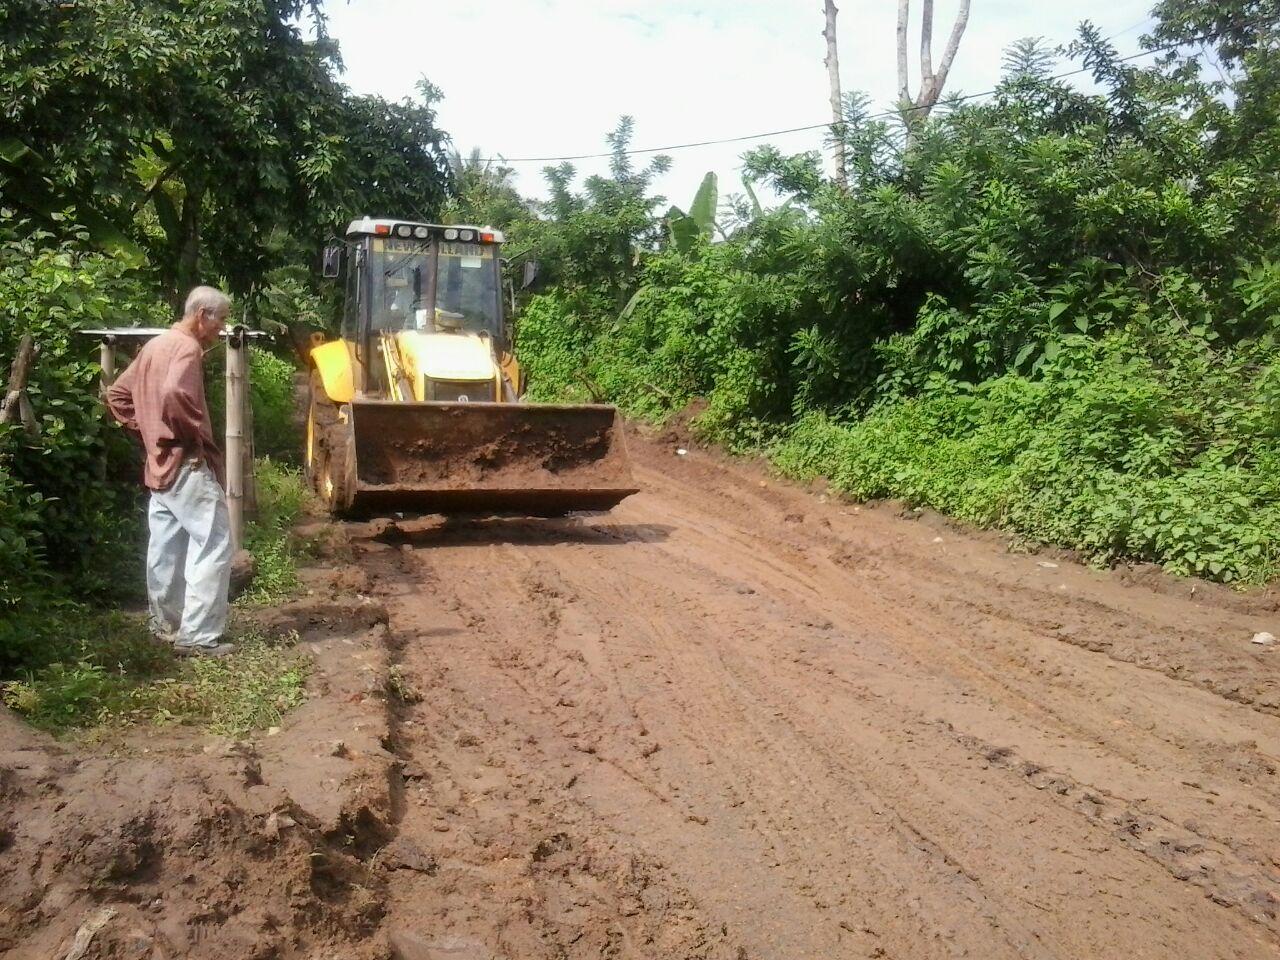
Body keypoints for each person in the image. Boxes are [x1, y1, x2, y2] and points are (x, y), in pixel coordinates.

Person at [106, 286, 236, 658]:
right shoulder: (186, 348)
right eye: (221, 319)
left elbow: (117, 394)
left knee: (165, 546)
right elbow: (175, 394)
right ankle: (197, 636)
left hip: (158, 466)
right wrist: (187, 436)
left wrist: (147, 431)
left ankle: (164, 625)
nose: (221, 328)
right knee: (213, 544)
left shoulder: (155, 345)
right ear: (202, 316)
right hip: (186, 464)